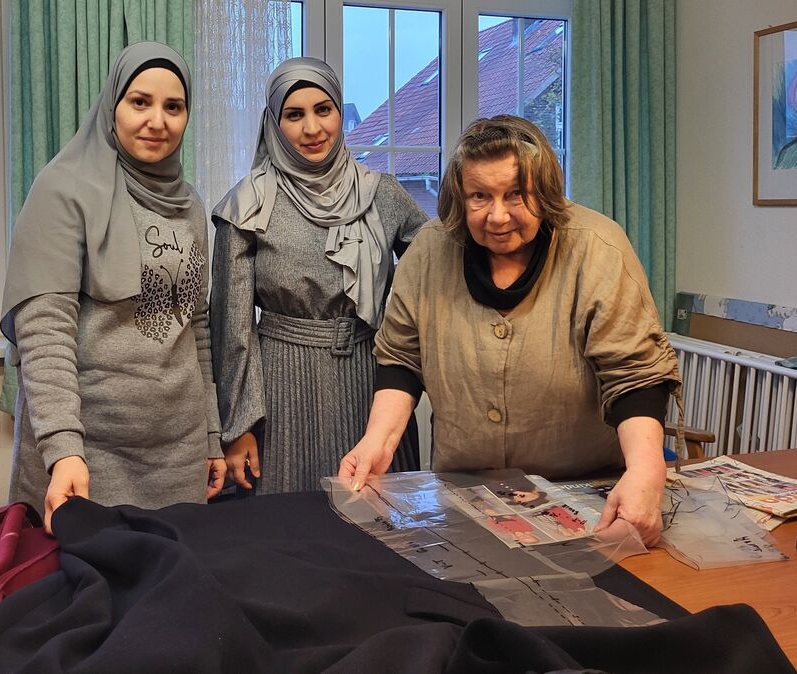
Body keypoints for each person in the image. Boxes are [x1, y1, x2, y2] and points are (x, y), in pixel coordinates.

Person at [338, 115, 681, 545]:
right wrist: (378, 441)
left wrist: (646, 472)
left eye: (516, 194)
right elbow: (402, 360)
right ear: (460, 196)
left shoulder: (596, 247)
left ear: (545, 191)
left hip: (587, 492)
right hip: (465, 494)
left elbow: (634, 376)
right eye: (480, 196)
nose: (498, 217)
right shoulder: (429, 250)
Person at [1, 42, 225, 532]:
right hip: (87, 459)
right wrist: (63, 450)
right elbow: (45, 334)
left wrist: (211, 436)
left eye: (174, 107)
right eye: (140, 102)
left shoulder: (190, 205)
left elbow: (196, 328)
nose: (157, 121)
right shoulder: (63, 190)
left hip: (179, 457)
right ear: (113, 106)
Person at [210, 57, 426, 494]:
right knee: (289, 520)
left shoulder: (382, 194)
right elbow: (231, 328)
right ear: (274, 123)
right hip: (281, 389)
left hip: (371, 383)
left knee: (381, 517)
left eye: (323, 110)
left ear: (339, 112)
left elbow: (438, 267)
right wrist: (238, 425)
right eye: (294, 115)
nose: (312, 129)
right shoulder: (248, 204)